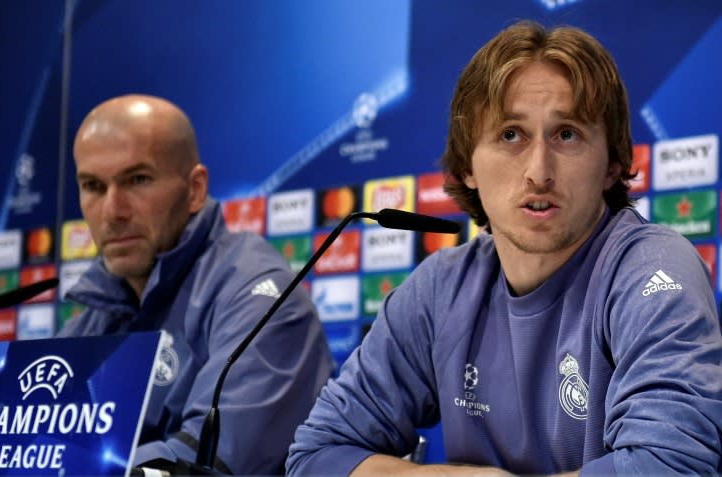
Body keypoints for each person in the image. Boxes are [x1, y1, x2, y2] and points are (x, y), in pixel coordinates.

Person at [286, 20, 722, 476]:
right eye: (511, 134)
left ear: (612, 163)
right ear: (466, 166)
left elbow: (672, 467)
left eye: (567, 134)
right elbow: (317, 455)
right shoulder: (440, 290)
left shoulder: (650, 269)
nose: (539, 171)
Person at [57, 94, 334, 475]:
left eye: (137, 180)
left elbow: (208, 465)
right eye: (93, 186)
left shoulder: (260, 296)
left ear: (195, 189)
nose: (112, 212)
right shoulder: (92, 317)